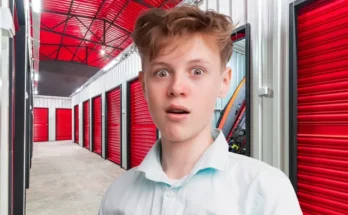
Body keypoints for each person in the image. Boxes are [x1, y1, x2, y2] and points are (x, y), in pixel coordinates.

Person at [99, 4, 302, 215]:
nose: (177, 88)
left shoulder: (265, 192)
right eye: (162, 73)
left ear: (224, 82)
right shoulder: (117, 196)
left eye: (197, 71)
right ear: (143, 85)